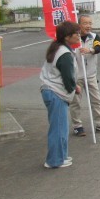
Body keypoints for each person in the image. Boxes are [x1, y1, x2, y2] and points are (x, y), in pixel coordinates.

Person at [40, 21, 81, 169]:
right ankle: (54, 160)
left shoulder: (58, 48)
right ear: (67, 37)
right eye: (76, 33)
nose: (78, 35)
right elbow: (68, 78)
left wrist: (73, 86)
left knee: (61, 127)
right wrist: (73, 88)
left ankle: (61, 156)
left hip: (51, 91)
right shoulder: (64, 53)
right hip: (56, 92)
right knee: (58, 129)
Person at [70, 14, 100, 136]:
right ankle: (77, 127)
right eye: (85, 23)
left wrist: (90, 50)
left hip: (90, 75)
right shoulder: (73, 38)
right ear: (79, 25)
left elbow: (99, 48)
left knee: (96, 101)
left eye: (90, 23)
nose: (88, 26)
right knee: (75, 103)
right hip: (76, 76)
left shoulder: (94, 37)